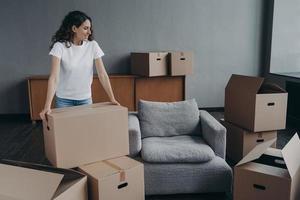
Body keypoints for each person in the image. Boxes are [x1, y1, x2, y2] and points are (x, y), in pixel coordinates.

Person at [40, 11, 119, 120]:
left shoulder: (93, 46)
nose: (89, 32)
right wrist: (47, 106)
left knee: (85, 134)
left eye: (90, 28)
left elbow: (102, 74)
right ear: (74, 29)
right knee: (67, 134)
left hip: (85, 99)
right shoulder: (59, 47)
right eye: (85, 28)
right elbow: (54, 78)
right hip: (64, 100)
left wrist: (112, 98)